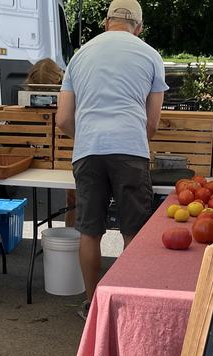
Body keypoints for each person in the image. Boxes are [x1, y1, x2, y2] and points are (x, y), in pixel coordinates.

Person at [56, 0, 166, 319]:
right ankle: (127, 306)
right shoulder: (150, 56)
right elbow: (153, 124)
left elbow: (63, 119)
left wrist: (90, 136)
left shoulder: (80, 56)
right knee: (132, 230)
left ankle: (93, 305)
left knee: (89, 230)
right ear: (139, 27)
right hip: (130, 149)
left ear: (106, 22)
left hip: (88, 151)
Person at [26, 58, 76, 228]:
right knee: (73, 200)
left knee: (74, 200)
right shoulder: (30, 107)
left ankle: (72, 240)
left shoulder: (70, 96)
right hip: (62, 157)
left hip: (70, 155)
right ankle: (71, 239)